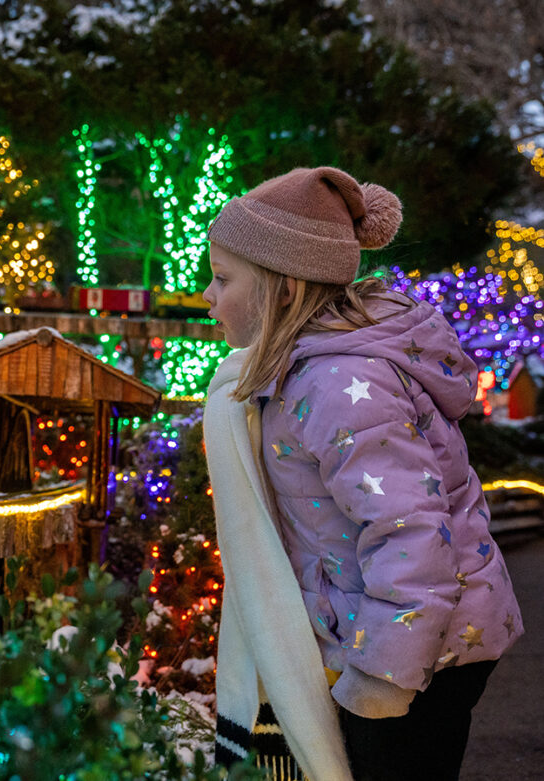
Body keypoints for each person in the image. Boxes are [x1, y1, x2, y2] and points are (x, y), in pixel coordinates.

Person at [201, 166, 524, 781]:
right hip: (400, 636)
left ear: (284, 290)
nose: (209, 298)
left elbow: (410, 533)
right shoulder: (307, 371)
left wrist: (382, 678)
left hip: (423, 653)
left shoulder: (342, 386)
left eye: (223, 279)